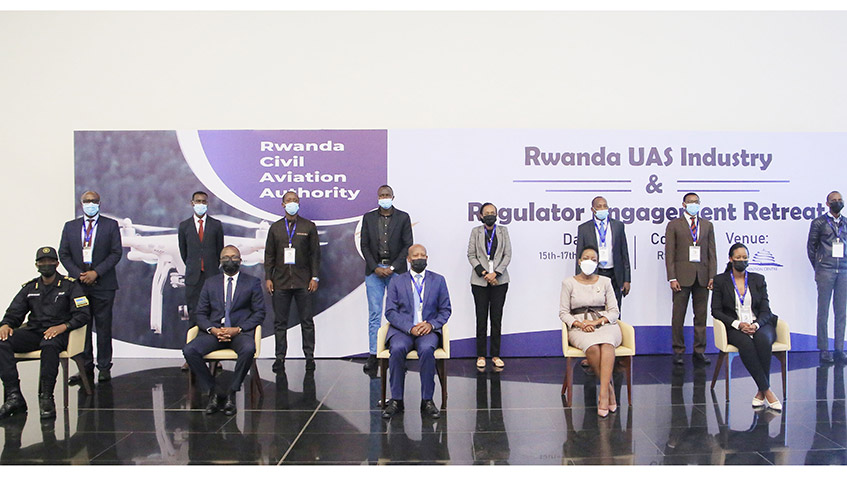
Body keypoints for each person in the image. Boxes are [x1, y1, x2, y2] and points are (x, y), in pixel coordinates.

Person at [0, 247, 90, 419]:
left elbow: (83, 314)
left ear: (57, 263)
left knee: (49, 345)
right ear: (37, 265)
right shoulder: (30, 287)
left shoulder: (70, 285)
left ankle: (46, 397)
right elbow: (14, 313)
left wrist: (64, 326)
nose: (46, 264)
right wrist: (5, 324)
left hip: (60, 333)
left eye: (50, 261)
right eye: (42, 262)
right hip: (34, 332)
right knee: (2, 341)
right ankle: (14, 396)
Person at [183, 246, 266, 416]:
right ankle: (214, 391)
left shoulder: (252, 282)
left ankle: (231, 393)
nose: (230, 260)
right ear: (220, 262)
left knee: (249, 348)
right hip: (215, 333)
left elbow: (259, 313)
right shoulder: (210, 283)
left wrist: (238, 329)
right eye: (226, 257)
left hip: (239, 333)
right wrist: (212, 329)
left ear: (240, 261)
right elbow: (200, 313)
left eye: (234, 257)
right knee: (189, 350)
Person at [58, 190, 123, 384]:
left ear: (99, 203)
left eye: (94, 201)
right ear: (81, 203)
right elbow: (64, 253)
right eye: (87, 201)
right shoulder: (70, 227)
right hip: (78, 286)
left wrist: (96, 273)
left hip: (104, 285)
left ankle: (104, 367)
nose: (90, 204)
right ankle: (84, 368)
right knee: (81, 327)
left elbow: (116, 253)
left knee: (103, 327)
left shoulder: (110, 225)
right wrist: (79, 274)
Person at [382, 244, 451, 420]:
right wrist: (409, 327)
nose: (419, 258)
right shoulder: (397, 281)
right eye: (415, 255)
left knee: (427, 350)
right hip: (403, 330)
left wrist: (431, 325)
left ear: (427, 258)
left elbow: (445, 310)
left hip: (427, 330)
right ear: (408, 259)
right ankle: (396, 400)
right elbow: (390, 311)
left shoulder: (438, 280)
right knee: (397, 349)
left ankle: (427, 400)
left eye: (423, 255)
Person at [711, 243, 782, 410]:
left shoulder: (758, 279)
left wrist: (756, 325)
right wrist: (738, 324)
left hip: (759, 324)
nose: (742, 260)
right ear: (731, 259)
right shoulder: (720, 281)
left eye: (745, 258)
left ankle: (761, 391)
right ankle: (767, 391)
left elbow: (766, 310)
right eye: (738, 258)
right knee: (746, 344)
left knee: (763, 340)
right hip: (735, 326)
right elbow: (716, 311)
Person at [559, 245, 622, 417]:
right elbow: (563, 313)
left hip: (604, 324)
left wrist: (597, 322)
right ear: (579, 261)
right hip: (579, 326)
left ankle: (602, 395)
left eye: (594, 260)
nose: (589, 262)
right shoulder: (568, 283)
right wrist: (580, 324)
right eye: (586, 258)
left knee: (607, 344)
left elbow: (614, 311)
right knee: (593, 347)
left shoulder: (605, 282)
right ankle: (609, 390)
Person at [264, 191, 320, 373]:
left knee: (307, 321)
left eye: (295, 200)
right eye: (289, 200)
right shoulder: (275, 228)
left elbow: (315, 254)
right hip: (280, 282)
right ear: (283, 204)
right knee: (280, 323)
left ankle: (309, 357)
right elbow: (269, 255)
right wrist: (268, 277)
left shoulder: (308, 226)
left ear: (299, 203)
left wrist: (315, 277)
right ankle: (280, 358)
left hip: (303, 282)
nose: (292, 203)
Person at [360, 185, 413, 375]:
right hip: (373, 271)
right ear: (377, 197)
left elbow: (407, 245)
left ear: (393, 197)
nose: (384, 198)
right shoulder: (368, 218)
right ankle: (374, 354)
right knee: (374, 314)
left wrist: (392, 268)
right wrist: (375, 267)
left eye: (387, 195)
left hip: (396, 271)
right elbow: (364, 245)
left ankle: (398, 353)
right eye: (381, 195)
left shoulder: (403, 217)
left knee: (398, 313)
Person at [665, 192, 717, 365]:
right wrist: (672, 277)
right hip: (681, 277)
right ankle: (678, 350)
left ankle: (699, 351)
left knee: (701, 316)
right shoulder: (674, 225)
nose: (694, 204)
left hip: (702, 277)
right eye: (690, 202)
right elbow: (669, 253)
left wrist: (712, 276)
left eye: (696, 202)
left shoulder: (707, 225)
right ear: (684, 204)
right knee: (678, 316)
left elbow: (712, 253)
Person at [178, 191, 225, 371]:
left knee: (213, 316)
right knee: (193, 316)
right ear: (192, 203)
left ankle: (215, 357)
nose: (201, 204)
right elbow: (184, 253)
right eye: (198, 201)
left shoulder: (216, 225)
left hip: (212, 276)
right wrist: (195, 267)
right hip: (193, 278)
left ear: (207, 203)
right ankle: (190, 356)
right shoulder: (184, 226)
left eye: (203, 201)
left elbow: (220, 250)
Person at [467, 202, 511, 370]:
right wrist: (484, 273)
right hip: (480, 281)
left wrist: (496, 273)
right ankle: (481, 355)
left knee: (496, 318)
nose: (490, 215)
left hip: (500, 281)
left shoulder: (503, 231)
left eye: (493, 212)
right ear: (481, 216)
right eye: (487, 213)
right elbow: (471, 255)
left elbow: (507, 255)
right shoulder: (476, 231)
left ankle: (495, 355)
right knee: (481, 318)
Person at [807, 190, 847, 364]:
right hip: (825, 270)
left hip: (843, 270)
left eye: (840, 199)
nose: (837, 202)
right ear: (827, 203)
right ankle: (824, 349)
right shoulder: (819, 222)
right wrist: (819, 266)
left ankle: (839, 349)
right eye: (834, 200)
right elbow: (811, 247)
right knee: (823, 311)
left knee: (841, 311)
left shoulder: (845, 222)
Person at [575, 196, 631, 313]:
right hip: (595, 273)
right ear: (593, 209)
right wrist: (579, 280)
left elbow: (624, 253)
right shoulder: (584, 229)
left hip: (615, 274)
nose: (602, 209)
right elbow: (579, 255)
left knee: (615, 309)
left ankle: (614, 325)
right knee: (595, 308)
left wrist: (627, 279)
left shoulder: (618, 226)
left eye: (605, 206)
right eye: (599, 206)